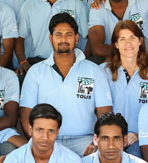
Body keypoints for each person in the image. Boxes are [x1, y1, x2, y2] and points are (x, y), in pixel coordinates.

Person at [20, 13, 113, 155]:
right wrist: (40, 144)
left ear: (76, 38)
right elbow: (26, 115)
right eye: (58, 34)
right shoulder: (35, 72)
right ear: (51, 38)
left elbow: (105, 113)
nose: (63, 39)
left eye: (68, 34)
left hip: (85, 141)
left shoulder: (93, 70)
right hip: (47, 142)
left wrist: (96, 143)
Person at [102, 21, 148, 157]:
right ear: (116, 44)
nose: (128, 43)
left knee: (135, 156)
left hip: (142, 136)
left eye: (132, 38)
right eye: (122, 39)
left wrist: (138, 135)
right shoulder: (103, 71)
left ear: (140, 41)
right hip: (111, 136)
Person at [15, 0, 89, 72]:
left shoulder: (76, 4)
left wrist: (83, 62)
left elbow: (87, 37)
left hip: (69, 63)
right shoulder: (29, 6)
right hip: (38, 62)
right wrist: (23, 61)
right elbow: (19, 38)